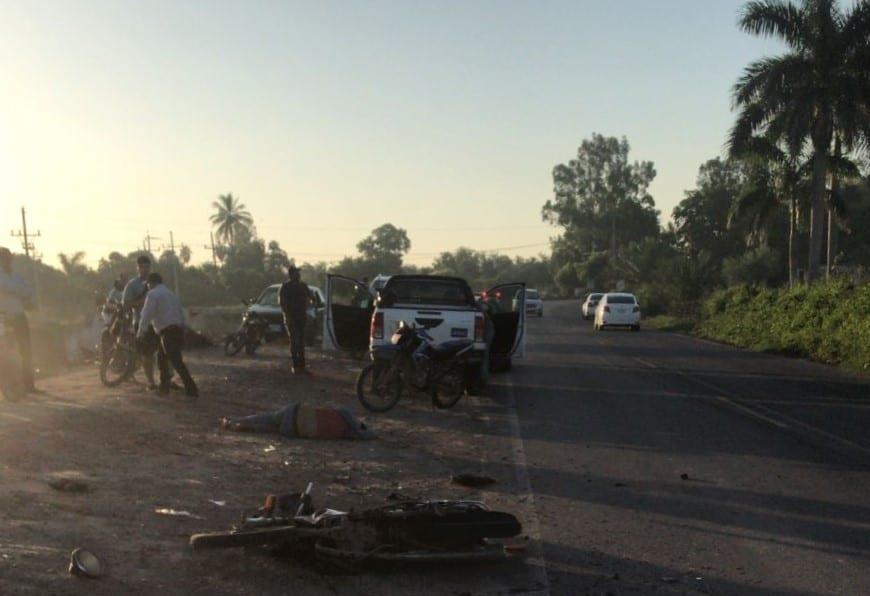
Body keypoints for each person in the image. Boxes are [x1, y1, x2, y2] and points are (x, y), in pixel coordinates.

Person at [138, 272, 198, 398]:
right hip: (177, 330)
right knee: (162, 359)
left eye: (148, 284)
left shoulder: (152, 294)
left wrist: (141, 331)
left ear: (151, 283)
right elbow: (180, 313)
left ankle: (191, 388)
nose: (147, 287)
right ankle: (164, 387)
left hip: (167, 332)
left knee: (175, 361)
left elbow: (146, 314)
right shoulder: (172, 294)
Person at [0, 247, 38, 394]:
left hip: (19, 316)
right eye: (4, 258)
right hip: (3, 318)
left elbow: (28, 290)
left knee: (26, 351)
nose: (7, 261)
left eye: (8, 258)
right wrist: (19, 291)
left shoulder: (15, 276)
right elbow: (18, 289)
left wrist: (16, 290)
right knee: (3, 351)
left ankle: (29, 386)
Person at [122, 256, 158, 389]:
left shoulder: (156, 282)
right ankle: (151, 382)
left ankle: (167, 380)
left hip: (158, 322)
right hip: (141, 322)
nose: (145, 270)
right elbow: (125, 304)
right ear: (137, 268)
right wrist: (142, 303)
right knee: (146, 354)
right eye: (142, 267)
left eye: (147, 267)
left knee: (164, 352)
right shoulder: (132, 285)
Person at [279, 264, 311, 374]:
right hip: (291, 317)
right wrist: (287, 315)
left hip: (301, 316)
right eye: (296, 272)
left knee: (301, 341)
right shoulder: (285, 287)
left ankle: (301, 365)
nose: (299, 274)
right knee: (294, 341)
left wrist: (310, 302)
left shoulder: (303, 286)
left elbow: (311, 297)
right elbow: (282, 303)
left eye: (299, 272)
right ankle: (295, 365)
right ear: (291, 274)